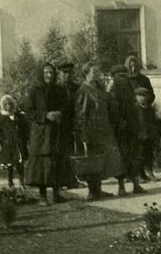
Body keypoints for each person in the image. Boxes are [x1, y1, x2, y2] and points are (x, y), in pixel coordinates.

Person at [74, 63, 124, 201]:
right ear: (86, 73)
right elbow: (81, 113)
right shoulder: (84, 90)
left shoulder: (99, 88)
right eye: (94, 72)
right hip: (92, 132)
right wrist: (82, 133)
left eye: (97, 71)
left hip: (105, 130)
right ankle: (92, 192)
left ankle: (98, 190)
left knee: (104, 161)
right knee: (93, 161)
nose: (97, 74)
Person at [25, 62, 70, 205]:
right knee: (42, 165)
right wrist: (45, 115)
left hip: (56, 131)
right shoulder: (34, 90)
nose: (49, 75)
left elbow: (67, 107)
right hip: (41, 133)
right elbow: (29, 111)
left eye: (51, 72)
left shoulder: (59, 90)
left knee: (56, 162)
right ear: (41, 74)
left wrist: (59, 113)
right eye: (46, 73)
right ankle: (43, 196)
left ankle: (56, 194)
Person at [107, 65, 145, 196]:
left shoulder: (128, 86)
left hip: (131, 127)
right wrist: (119, 123)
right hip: (121, 129)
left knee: (133, 156)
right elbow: (113, 108)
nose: (125, 78)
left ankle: (135, 184)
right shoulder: (113, 88)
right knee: (121, 158)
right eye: (122, 76)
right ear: (116, 76)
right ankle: (121, 187)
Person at [125, 55, 157, 181]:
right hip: (134, 115)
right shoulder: (126, 80)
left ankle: (149, 171)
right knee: (137, 146)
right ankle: (138, 173)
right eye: (131, 66)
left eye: (135, 66)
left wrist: (146, 99)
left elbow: (152, 95)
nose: (133, 69)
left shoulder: (144, 79)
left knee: (148, 144)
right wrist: (135, 100)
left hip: (146, 114)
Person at [0, 94, 29, 187]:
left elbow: (25, 129)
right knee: (9, 163)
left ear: (13, 105)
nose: (8, 106)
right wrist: (1, 141)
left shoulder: (20, 117)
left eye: (10, 104)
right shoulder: (1, 118)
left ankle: (21, 181)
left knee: (20, 163)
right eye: (6, 104)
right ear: (3, 106)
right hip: (7, 143)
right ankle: (10, 181)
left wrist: (25, 139)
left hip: (19, 143)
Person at [56, 62, 81, 189]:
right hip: (59, 125)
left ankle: (72, 179)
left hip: (73, 124)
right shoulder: (55, 88)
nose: (67, 75)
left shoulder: (77, 88)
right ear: (59, 74)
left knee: (72, 152)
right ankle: (60, 181)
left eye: (70, 73)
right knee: (60, 153)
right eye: (64, 73)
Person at [133, 86, 160, 182]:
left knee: (149, 155)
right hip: (139, 136)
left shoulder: (149, 109)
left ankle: (150, 172)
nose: (142, 97)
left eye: (144, 95)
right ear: (136, 97)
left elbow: (153, 122)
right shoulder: (134, 108)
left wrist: (154, 132)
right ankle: (140, 174)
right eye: (139, 95)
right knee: (139, 155)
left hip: (149, 136)